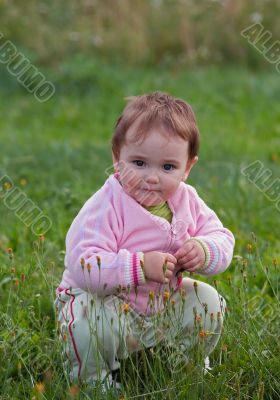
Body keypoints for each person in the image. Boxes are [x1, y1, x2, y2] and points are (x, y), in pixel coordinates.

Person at [55, 92, 235, 392]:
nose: (151, 177)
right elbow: (85, 263)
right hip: (106, 303)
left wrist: (204, 250)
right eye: (139, 163)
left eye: (167, 167)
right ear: (117, 158)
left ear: (187, 167)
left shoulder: (187, 200)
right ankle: (90, 379)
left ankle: (186, 361)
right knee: (85, 321)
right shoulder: (106, 206)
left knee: (208, 302)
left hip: (160, 305)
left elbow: (222, 237)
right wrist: (139, 266)